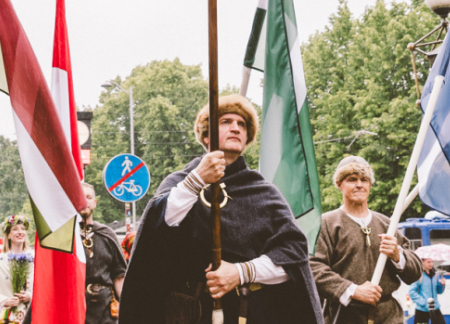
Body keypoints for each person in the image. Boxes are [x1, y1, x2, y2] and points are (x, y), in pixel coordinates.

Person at [118, 93, 323, 324]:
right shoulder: (181, 182)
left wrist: (241, 272)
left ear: (247, 138)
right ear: (206, 137)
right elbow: (160, 224)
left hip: (251, 313)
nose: (235, 128)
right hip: (189, 314)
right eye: (226, 122)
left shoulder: (263, 192)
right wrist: (197, 180)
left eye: (241, 124)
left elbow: (293, 257)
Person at [309, 155, 422, 324]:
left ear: (370, 185)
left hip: (389, 318)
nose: (359, 184)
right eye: (352, 179)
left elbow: (415, 272)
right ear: (339, 184)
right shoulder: (325, 224)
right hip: (343, 317)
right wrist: (352, 290)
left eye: (364, 179)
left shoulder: (386, 224)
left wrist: (398, 255)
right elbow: (312, 268)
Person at [79, 182, 127, 324]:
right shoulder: (67, 237)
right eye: (80, 196)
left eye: (88, 197)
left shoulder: (107, 234)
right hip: (77, 306)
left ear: (94, 203)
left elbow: (119, 275)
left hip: (106, 310)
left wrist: (127, 307)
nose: (85, 200)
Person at [0, 215, 34, 323]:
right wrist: (5, 300)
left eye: (23, 229)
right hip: (6, 318)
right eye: (15, 229)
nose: (20, 232)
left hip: (31, 317)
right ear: (8, 235)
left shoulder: (35, 259)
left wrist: (31, 296)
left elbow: (46, 289)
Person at [407, 259, 446, 324]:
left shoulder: (436, 275)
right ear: (422, 262)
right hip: (422, 309)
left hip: (435, 308)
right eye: (428, 262)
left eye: (432, 262)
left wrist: (442, 285)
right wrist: (423, 303)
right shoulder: (419, 275)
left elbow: (439, 292)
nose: (431, 264)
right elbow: (411, 292)